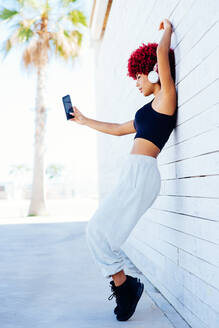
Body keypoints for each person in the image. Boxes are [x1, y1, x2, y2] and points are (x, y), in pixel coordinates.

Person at [70, 18, 177, 321]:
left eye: (140, 76)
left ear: (156, 72)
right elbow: (118, 129)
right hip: (133, 174)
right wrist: (84, 119)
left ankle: (126, 286)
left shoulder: (166, 96)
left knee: (97, 231)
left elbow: (160, 53)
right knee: (99, 233)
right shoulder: (148, 109)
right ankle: (126, 285)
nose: (137, 82)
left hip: (142, 174)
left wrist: (166, 30)